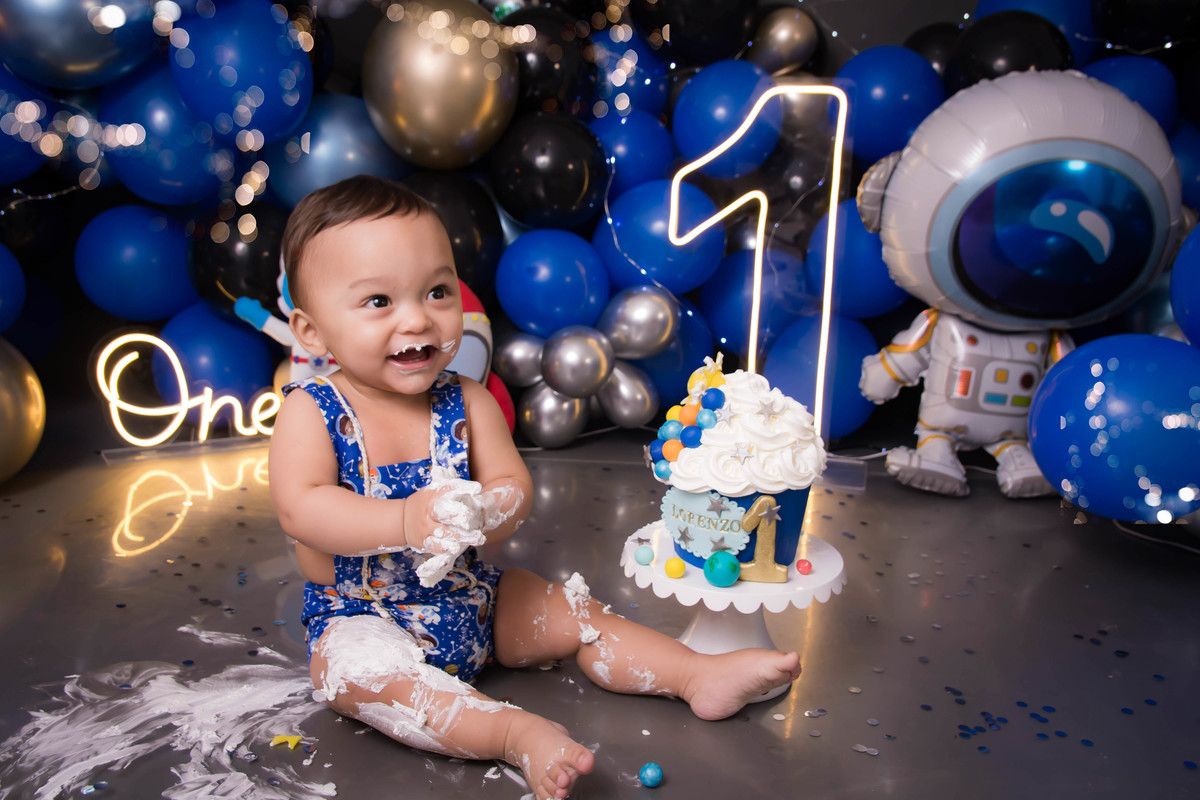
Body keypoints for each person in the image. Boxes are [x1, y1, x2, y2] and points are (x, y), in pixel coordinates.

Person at [268, 175, 802, 800]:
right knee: (360, 677)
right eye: (379, 301)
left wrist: (488, 508)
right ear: (311, 331)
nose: (417, 318)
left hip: (474, 600)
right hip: (364, 615)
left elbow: (512, 486)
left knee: (575, 614)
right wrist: (405, 522)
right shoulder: (311, 412)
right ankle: (513, 733)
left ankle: (692, 674)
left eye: (437, 291)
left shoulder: (467, 401)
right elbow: (302, 509)